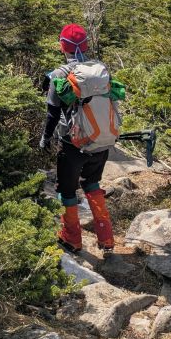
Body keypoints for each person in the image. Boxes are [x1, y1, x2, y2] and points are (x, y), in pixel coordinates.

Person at [39, 23, 116, 253]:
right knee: (92, 185)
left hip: (72, 145)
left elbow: (53, 114)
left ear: (63, 47)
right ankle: (107, 239)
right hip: (100, 143)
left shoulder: (60, 75)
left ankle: (71, 238)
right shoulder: (101, 70)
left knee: (67, 191)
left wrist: (45, 139)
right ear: (86, 45)